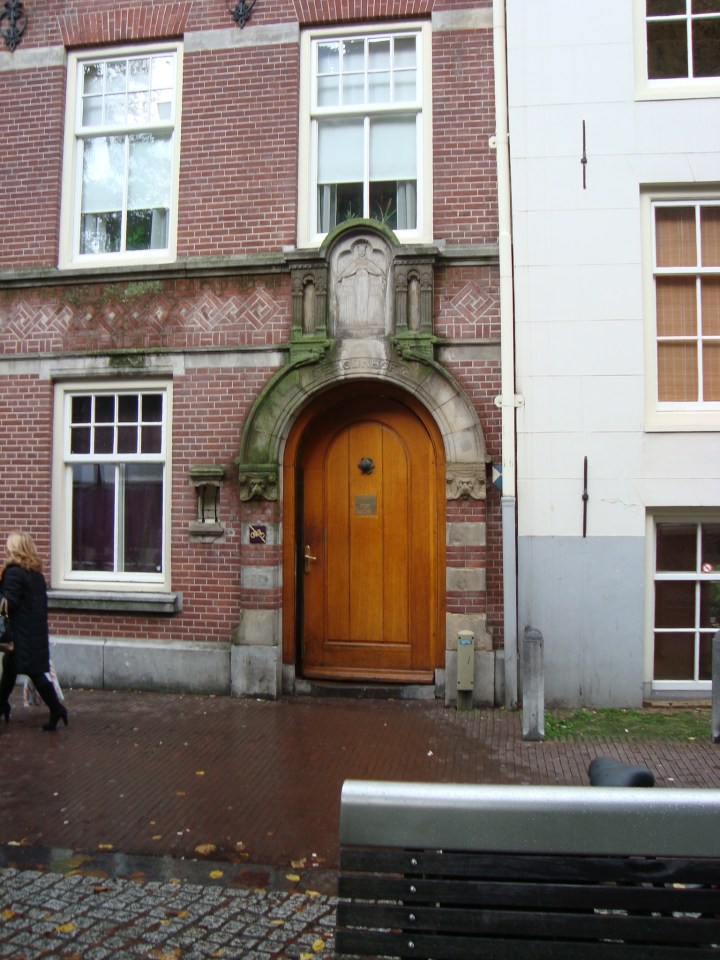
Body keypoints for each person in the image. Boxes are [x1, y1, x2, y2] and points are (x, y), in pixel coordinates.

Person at [0, 531, 68, 731]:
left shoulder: (13, 572)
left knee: (35, 673)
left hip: (21, 634)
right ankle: (2, 704)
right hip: (34, 631)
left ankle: (57, 709)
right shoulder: (35, 573)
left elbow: (8, 604)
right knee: (10, 667)